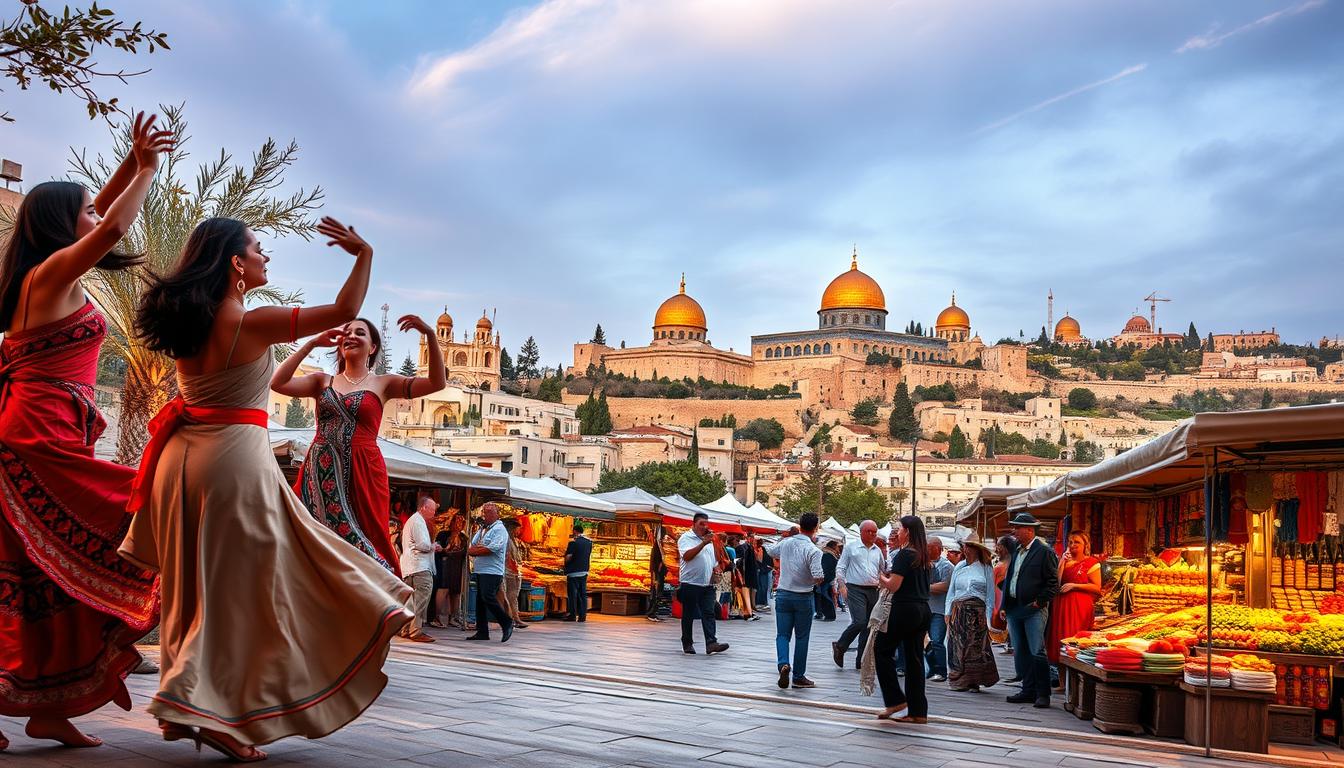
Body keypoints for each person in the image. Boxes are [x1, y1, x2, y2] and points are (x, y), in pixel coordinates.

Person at [121, 215, 415, 761]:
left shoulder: (191, 319)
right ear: (236, 263)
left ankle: (201, 705)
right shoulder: (246, 321)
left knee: (200, 587)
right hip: (231, 460)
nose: (265, 257)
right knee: (240, 588)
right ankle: (207, 710)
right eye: (258, 249)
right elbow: (345, 311)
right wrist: (364, 253)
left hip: (183, 459)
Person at [0, 114, 169, 752]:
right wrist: (149, 171)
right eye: (82, 214)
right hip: (35, 440)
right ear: (58, 226)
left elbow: (99, 208)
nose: (95, 217)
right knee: (133, 511)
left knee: (41, 579)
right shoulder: (49, 279)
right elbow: (116, 223)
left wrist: (131, 160)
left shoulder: (44, 274)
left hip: (52, 434)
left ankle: (48, 710)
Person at [273, 312, 446, 572]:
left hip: (364, 469)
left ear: (373, 347)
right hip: (320, 470)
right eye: (347, 332)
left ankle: (375, 605)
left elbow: (436, 382)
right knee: (308, 539)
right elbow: (278, 382)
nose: (351, 336)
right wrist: (311, 344)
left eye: (360, 333)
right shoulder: (322, 381)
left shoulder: (384, 383)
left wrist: (430, 335)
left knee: (369, 541)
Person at [869, 515, 933, 723]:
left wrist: (880, 577)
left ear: (908, 532)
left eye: (900, 529)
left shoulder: (905, 554)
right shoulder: (923, 555)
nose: (898, 532)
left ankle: (895, 699)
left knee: (882, 649)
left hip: (905, 608)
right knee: (915, 660)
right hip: (923, 609)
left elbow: (894, 585)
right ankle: (918, 711)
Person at [1000, 512, 1060, 709]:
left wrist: (1039, 602)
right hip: (1015, 608)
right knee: (1022, 651)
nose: (1014, 531)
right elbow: (1010, 579)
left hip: (1033, 608)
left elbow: (1053, 583)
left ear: (1029, 530)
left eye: (1017, 527)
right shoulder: (1017, 551)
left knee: (1037, 651)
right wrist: (1004, 606)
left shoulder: (1045, 551)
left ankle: (1043, 693)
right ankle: (1028, 690)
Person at [766, 514, 824, 689]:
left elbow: (771, 550)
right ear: (815, 528)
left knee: (782, 635)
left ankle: (783, 663)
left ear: (799, 525)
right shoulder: (814, 551)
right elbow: (818, 576)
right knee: (802, 637)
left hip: (783, 594)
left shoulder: (787, 543)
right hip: (803, 596)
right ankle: (798, 676)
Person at [1047, 531, 1102, 689]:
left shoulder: (1091, 563)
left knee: (1075, 641)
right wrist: (1062, 563)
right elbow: (1056, 583)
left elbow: (1097, 587)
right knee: (1060, 640)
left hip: (1079, 606)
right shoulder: (1064, 561)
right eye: (1070, 542)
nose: (1072, 545)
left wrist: (1074, 585)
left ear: (1085, 545)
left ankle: (1078, 684)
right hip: (1061, 605)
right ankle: (1063, 683)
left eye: (1076, 542)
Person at [945, 534, 999, 691]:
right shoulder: (959, 567)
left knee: (975, 647)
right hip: (958, 610)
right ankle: (959, 680)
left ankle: (974, 680)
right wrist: (947, 612)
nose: (966, 549)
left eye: (969, 546)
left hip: (977, 612)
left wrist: (988, 619)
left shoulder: (987, 568)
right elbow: (951, 591)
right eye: (965, 546)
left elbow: (990, 596)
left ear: (976, 549)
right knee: (958, 645)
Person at [833, 520, 885, 670]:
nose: (872, 535)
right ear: (861, 532)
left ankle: (861, 659)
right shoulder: (851, 548)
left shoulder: (877, 550)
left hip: (873, 589)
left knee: (869, 626)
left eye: (874, 532)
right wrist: (842, 585)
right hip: (855, 588)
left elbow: (884, 568)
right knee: (860, 621)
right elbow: (841, 567)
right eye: (869, 531)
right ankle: (841, 645)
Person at [677, 513, 729, 655]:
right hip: (690, 583)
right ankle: (687, 643)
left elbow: (713, 560)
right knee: (689, 613)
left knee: (709, 612)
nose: (704, 526)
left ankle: (711, 643)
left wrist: (716, 568)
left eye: (706, 523)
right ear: (693, 524)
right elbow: (687, 556)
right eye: (701, 524)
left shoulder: (710, 540)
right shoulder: (686, 538)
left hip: (707, 584)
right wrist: (703, 543)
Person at [466, 502, 513, 643]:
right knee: (480, 601)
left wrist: (475, 550)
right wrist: (476, 549)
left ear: (494, 514)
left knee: (488, 597)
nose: (483, 516)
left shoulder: (499, 530)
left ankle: (506, 622)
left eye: (486, 513)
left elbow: (491, 549)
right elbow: (473, 545)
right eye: (483, 513)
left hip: (492, 571)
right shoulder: (482, 529)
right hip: (480, 569)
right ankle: (482, 631)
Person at [399, 496, 440, 642]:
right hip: (419, 566)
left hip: (410, 566)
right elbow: (422, 545)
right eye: (432, 509)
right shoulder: (418, 521)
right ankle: (415, 630)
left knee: (411, 601)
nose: (434, 513)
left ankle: (405, 629)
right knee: (420, 599)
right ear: (424, 508)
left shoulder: (413, 520)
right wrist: (433, 546)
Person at [924, 538, 953, 683]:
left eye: (929, 547)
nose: (926, 549)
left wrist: (924, 587)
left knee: (936, 640)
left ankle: (941, 671)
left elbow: (945, 586)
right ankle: (932, 669)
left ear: (938, 548)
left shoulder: (946, 566)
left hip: (939, 610)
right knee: (926, 642)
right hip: (925, 609)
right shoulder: (923, 564)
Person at [432, 513, 468, 629]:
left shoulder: (463, 538)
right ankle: (437, 617)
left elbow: (464, 552)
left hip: (456, 566)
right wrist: (445, 550)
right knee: (443, 589)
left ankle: (453, 617)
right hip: (444, 564)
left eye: (460, 523)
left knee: (456, 592)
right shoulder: (443, 535)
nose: (457, 525)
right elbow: (438, 548)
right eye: (455, 522)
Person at [498, 519, 528, 629]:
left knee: (512, 596)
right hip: (509, 572)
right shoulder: (507, 540)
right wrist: (515, 568)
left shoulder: (512, 540)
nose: (518, 531)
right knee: (511, 596)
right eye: (517, 529)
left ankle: (514, 617)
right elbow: (508, 557)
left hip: (512, 571)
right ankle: (513, 618)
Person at [993, 535, 1018, 657]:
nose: (996, 548)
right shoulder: (1013, 561)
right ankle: (1011, 644)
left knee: (1005, 621)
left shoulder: (1002, 565)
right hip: (1004, 594)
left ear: (1004, 548)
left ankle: (1011, 645)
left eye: (999, 545)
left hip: (1000, 594)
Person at [564, 522, 593, 622]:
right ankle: (582, 616)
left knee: (572, 594)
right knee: (582, 594)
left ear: (575, 531)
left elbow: (568, 557)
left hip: (573, 571)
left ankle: (572, 615)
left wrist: (565, 562)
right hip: (584, 571)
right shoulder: (589, 542)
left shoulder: (573, 543)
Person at [735, 533, 759, 621]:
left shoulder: (748, 547)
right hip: (743, 575)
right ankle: (747, 612)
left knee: (746, 592)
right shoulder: (744, 547)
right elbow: (741, 561)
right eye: (751, 537)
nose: (753, 539)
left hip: (746, 574)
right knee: (744, 593)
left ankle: (749, 612)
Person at [813, 540, 839, 622]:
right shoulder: (829, 554)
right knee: (823, 595)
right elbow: (828, 568)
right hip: (826, 578)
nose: (838, 548)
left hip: (824, 579)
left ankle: (826, 613)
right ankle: (827, 613)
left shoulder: (826, 554)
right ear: (833, 546)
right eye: (837, 546)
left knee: (822, 595)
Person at [646, 529, 666, 622]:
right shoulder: (657, 547)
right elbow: (656, 563)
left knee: (657, 592)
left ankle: (653, 613)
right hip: (657, 573)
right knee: (656, 593)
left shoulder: (658, 546)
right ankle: (652, 613)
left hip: (658, 573)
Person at [754, 536, 774, 611]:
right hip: (764, 570)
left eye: (755, 542)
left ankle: (764, 603)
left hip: (764, 570)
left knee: (764, 586)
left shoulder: (761, 549)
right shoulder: (761, 549)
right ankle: (762, 602)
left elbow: (760, 560)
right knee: (762, 586)